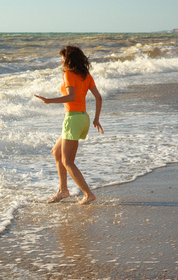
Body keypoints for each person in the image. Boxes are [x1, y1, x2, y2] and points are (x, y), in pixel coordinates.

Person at [34, 45, 103, 205]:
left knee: (68, 161)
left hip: (72, 119)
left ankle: (88, 194)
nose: (61, 61)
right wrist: (96, 119)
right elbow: (99, 98)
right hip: (83, 118)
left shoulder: (68, 75)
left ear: (68, 60)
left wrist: (49, 100)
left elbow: (71, 97)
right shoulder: (86, 76)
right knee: (56, 152)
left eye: (62, 58)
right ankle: (63, 190)